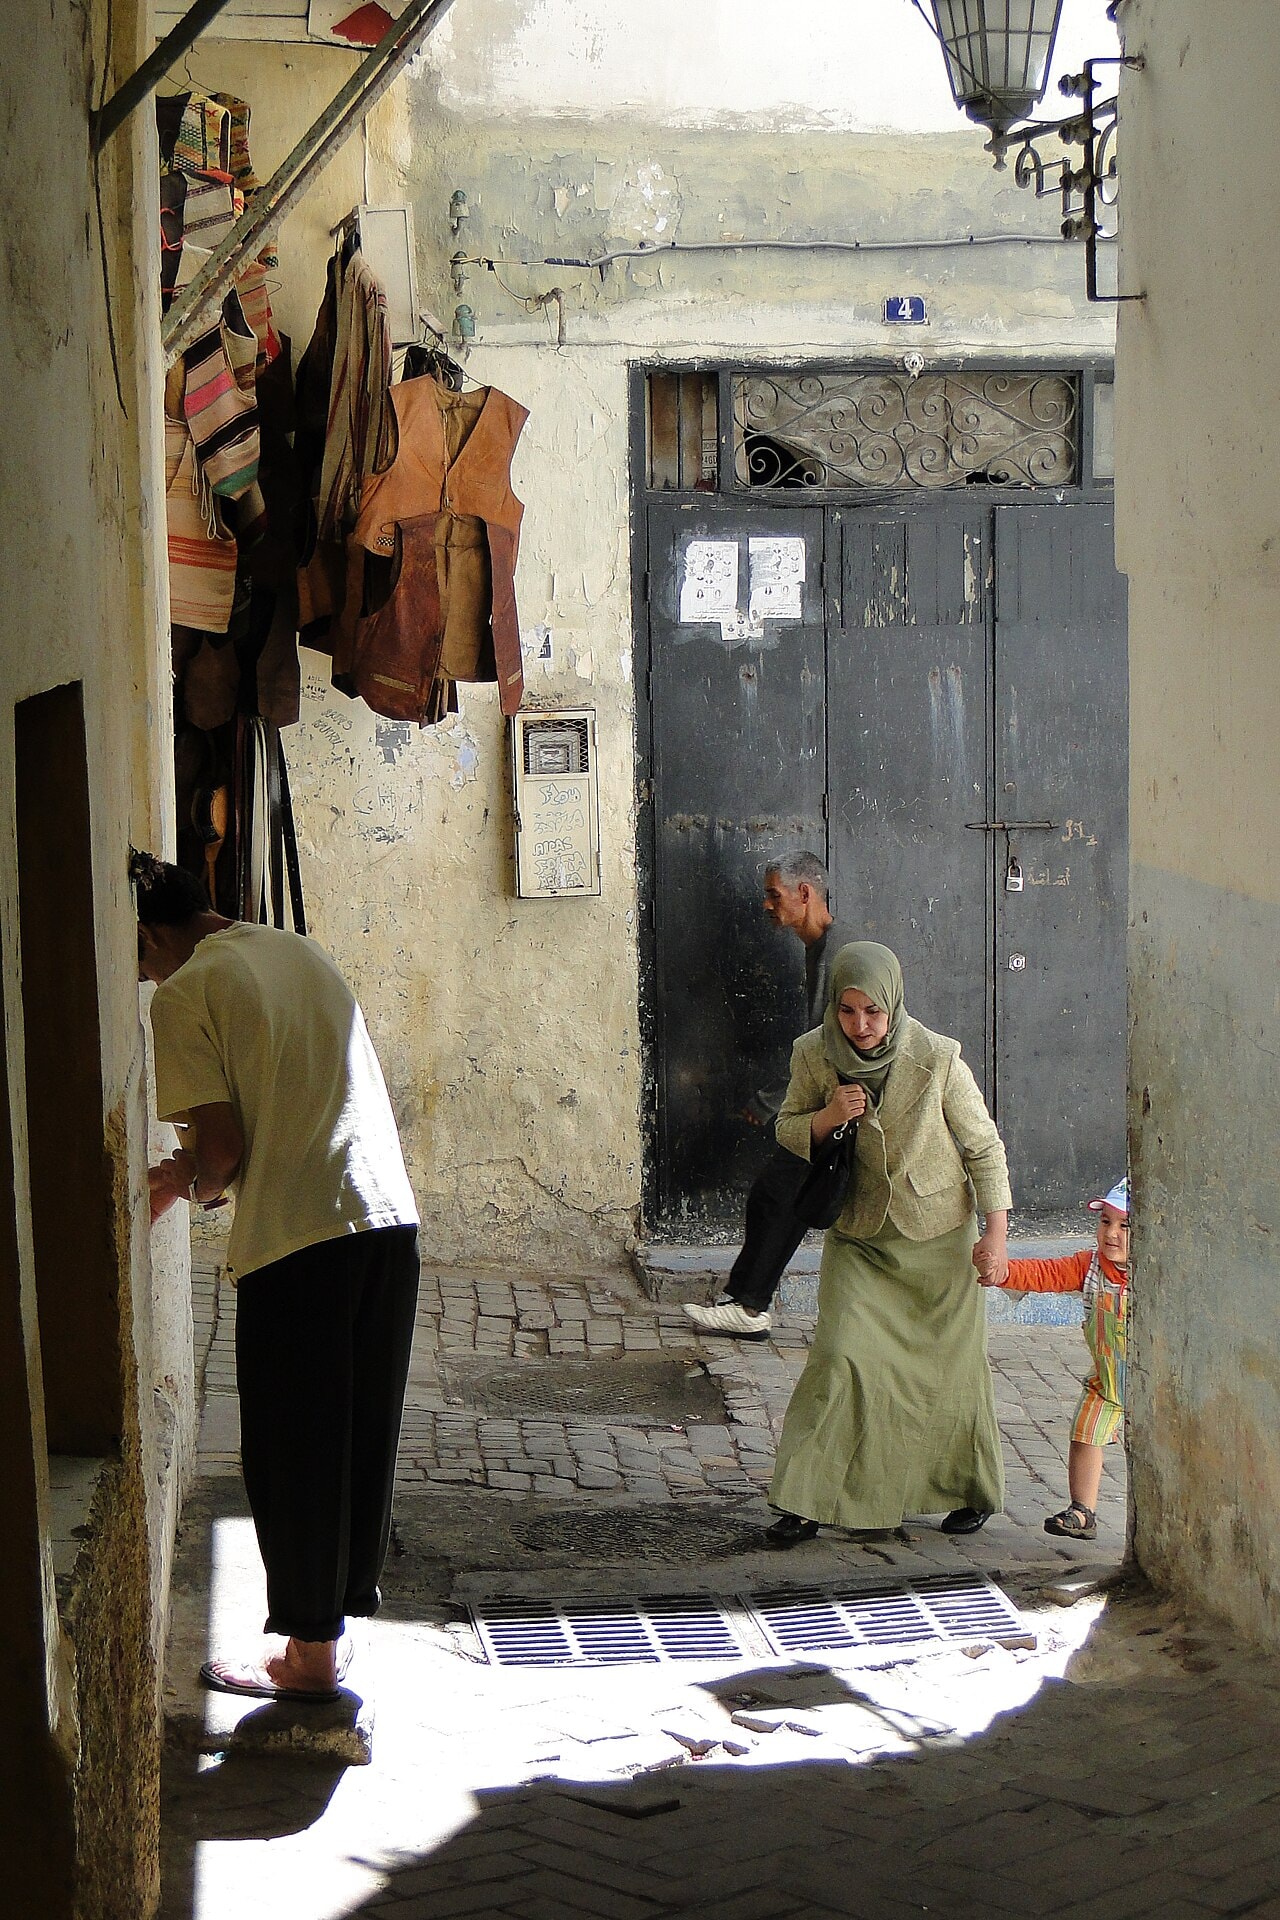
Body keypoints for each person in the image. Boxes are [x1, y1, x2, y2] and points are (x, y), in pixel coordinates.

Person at [134, 851, 420, 1702]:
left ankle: (307, 1660)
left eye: (138, 960)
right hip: (386, 1220)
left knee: (294, 1450)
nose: (143, 978)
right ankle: (329, 1635)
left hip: (298, 1242)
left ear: (152, 938)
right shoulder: (295, 949)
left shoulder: (185, 993)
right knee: (359, 1438)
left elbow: (222, 1155)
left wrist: (173, 1183)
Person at [764, 941, 1012, 1548]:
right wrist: (826, 1116)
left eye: (872, 1012)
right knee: (840, 1356)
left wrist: (996, 1236)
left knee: (949, 1375)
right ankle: (805, 1499)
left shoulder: (938, 1058)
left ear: (893, 1003)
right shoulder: (813, 1054)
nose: (860, 1026)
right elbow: (787, 1127)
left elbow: (984, 1148)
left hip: (937, 1240)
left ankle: (967, 1490)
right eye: (848, 1011)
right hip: (860, 1237)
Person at [684, 852, 855, 1339]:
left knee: (777, 1195)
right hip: (828, 1103)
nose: (766, 905)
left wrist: (773, 1102)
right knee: (777, 1198)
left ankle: (749, 1303)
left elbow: (829, 1046)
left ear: (805, 894)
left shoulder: (842, 952)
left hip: (841, 1107)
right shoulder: (822, 948)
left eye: (774, 895)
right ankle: (748, 1300)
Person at [976, 1176, 1129, 1542]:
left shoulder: (1161, 1275)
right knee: (1085, 1435)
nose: (1111, 1233)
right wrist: (1003, 1271)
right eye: (1105, 1221)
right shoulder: (1089, 1266)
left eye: (1125, 1226)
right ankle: (1082, 1510)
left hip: (1157, 1388)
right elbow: (1046, 1274)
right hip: (1108, 1383)